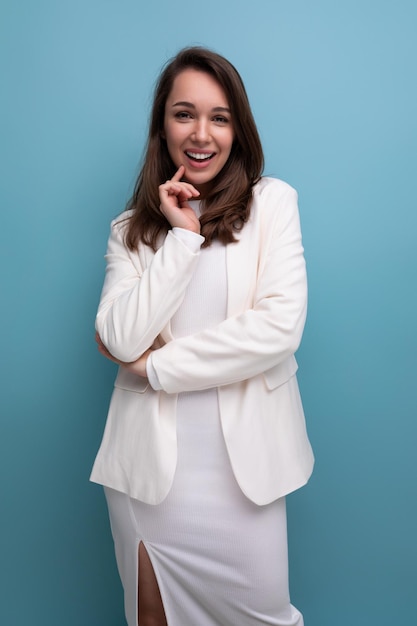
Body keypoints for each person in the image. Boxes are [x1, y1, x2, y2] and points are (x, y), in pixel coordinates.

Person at [91, 46, 314, 626]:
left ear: (237, 129)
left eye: (219, 116)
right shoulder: (131, 230)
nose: (201, 133)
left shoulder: (273, 204)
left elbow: (277, 328)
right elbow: (119, 338)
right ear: (161, 126)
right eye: (183, 113)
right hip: (150, 478)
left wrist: (158, 367)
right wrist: (182, 238)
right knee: (152, 616)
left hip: (245, 473)